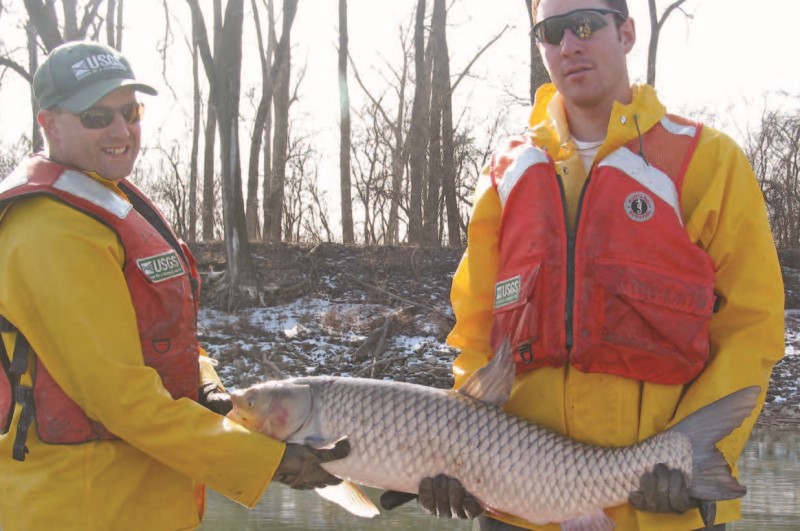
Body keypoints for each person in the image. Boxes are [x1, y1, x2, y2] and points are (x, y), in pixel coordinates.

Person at [382, 1, 785, 530]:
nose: (569, 44)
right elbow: (476, 329)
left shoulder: (710, 162)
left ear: (627, 33)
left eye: (586, 24)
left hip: (663, 509)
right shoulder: (505, 174)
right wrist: (456, 449)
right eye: (550, 32)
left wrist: (692, 461)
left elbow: (751, 329)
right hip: (519, 512)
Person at [0, 40, 348, 531]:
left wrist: (208, 388)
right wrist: (271, 462)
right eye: (97, 117)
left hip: (143, 502)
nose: (121, 130)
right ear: (49, 123)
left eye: (130, 111)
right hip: (79, 508)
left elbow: (162, 336)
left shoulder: (105, 199)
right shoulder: (50, 233)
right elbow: (121, 399)